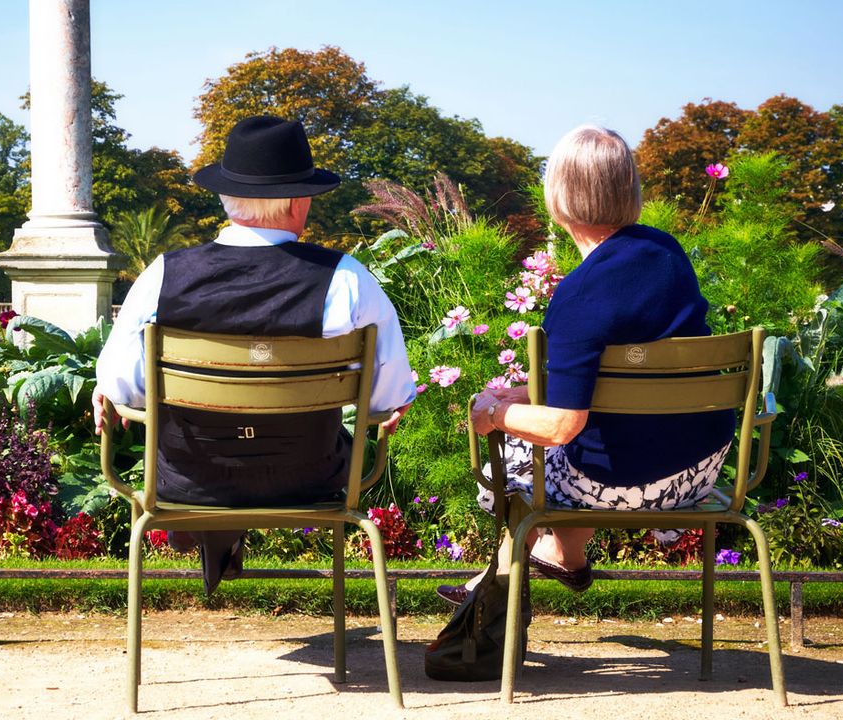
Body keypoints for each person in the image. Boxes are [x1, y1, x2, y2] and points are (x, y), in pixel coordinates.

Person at [93, 116, 416, 594]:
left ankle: (211, 531)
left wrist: (108, 391)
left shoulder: (163, 276)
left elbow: (125, 392)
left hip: (190, 480)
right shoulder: (347, 281)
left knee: (186, 438)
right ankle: (223, 539)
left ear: (226, 198)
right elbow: (387, 399)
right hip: (310, 479)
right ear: (300, 202)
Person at [437, 126, 734, 605]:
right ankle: (561, 556)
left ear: (558, 196)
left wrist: (492, 413)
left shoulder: (579, 292)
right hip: (701, 464)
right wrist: (527, 393)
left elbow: (561, 426)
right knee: (584, 441)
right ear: (628, 188)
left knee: (513, 451)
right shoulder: (666, 253)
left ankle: (496, 582)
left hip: (631, 482)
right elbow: (620, 376)